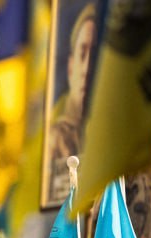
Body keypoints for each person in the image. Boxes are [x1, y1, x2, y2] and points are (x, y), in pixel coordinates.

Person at [46, 3, 97, 205]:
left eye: (94, 57)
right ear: (70, 67)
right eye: (82, 54)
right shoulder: (55, 140)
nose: (87, 68)